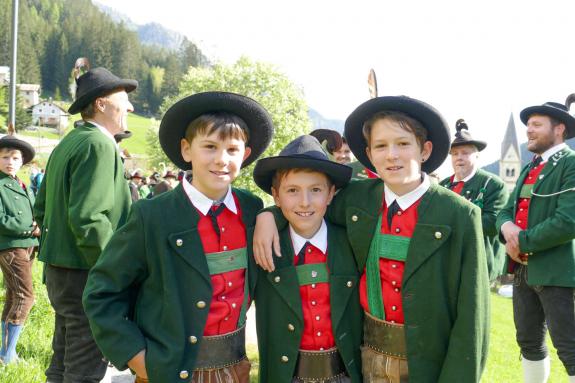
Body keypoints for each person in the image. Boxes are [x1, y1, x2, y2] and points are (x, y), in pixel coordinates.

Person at [254, 96, 490, 382]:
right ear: (369, 153)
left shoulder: (460, 215)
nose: (392, 155)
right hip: (366, 362)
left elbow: (472, 317)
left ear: (425, 149)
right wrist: (268, 217)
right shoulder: (357, 199)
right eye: (381, 145)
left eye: (403, 143)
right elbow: (306, 207)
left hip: (428, 363)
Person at [82, 91, 274, 383]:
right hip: (166, 371)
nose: (221, 159)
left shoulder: (252, 210)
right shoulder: (153, 216)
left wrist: (270, 216)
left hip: (236, 369)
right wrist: (138, 359)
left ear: (245, 154)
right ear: (186, 150)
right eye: (209, 146)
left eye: (232, 150)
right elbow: (101, 294)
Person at [33, 67, 136, 383]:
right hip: (86, 272)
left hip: (60, 270)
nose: (131, 107)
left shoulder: (70, 141)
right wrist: (115, 270)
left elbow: (41, 208)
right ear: (103, 103)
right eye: (124, 99)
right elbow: (89, 218)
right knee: (84, 371)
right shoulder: (100, 144)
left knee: (63, 362)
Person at [252, 135, 362, 383]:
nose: (305, 202)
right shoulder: (263, 246)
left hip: (345, 375)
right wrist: (267, 215)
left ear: (331, 193)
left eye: (315, 190)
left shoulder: (353, 242)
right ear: (276, 196)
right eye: (292, 191)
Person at [496, 101, 575, 383]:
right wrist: (506, 228)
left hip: (557, 271)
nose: (529, 130)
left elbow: (568, 221)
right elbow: (507, 209)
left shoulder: (571, 162)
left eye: (537, 125)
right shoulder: (532, 166)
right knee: (528, 342)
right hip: (523, 272)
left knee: (570, 347)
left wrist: (522, 242)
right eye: (528, 125)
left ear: (559, 128)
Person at [439, 119, 508, 281]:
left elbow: (493, 224)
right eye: (455, 154)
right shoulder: (442, 185)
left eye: (465, 153)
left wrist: (451, 224)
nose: (459, 158)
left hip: (478, 262)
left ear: (476, 156)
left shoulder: (493, 184)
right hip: (445, 262)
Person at [0, 136, 39, 364]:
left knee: (14, 296)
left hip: (26, 246)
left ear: (22, 161)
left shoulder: (19, 183)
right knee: (26, 297)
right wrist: (30, 229)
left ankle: (6, 351)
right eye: (5, 157)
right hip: (11, 246)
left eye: (15, 158)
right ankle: (7, 354)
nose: (10, 162)